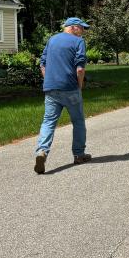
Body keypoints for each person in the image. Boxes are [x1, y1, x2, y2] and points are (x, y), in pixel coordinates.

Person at [34, 17, 91, 174]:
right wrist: (79, 85)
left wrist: (50, 81)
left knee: (48, 122)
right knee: (78, 121)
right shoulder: (78, 42)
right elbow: (80, 69)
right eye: (82, 28)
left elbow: (42, 64)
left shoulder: (52, 40)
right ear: (73, 28)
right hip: (70, 88)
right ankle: (79, 154)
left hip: (51, 89)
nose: (83, 32)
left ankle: (41, 151)